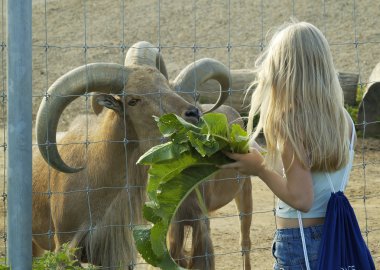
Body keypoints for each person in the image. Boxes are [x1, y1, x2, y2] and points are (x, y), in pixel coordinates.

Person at [220, 20, 356, 269]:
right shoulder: (343, 118)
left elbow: (301, 198)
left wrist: (260, 168)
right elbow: (313, 179)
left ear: (283, 71)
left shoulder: (290, 122)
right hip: (333, 235)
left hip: (299, 243)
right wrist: (261, 157)